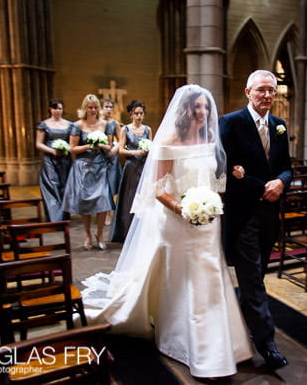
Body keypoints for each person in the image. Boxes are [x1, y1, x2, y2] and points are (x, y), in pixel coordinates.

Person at [81, 85, 253, 379]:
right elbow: (159, 189)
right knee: (183, 280)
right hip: (176, 220)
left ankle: (223, 344)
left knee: (210, 278)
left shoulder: (211, 138)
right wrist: (184, 209)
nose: (202, 112)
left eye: (206, 107)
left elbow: (216, 180)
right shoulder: (169, 140)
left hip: (207, 222)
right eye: (196, 107)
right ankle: (185, 341)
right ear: (185, 110)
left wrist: (214, 202)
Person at [218, 70, 293, 369]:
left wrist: (282, 182)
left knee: (256, 276)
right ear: (247, 91)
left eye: (271, 91)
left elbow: (287, 166)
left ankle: (239, 320)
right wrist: (263, 186)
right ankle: (267, 344)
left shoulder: (279, 126)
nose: (267, 96)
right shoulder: (230, 122)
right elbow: (224, 171)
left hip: (270, 215)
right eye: (261, 90)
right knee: (253, 280)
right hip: (243, 214)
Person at [62, 94, 114, 250]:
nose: (93, 110)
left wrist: (102, 145)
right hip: (83, 167)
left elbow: (110, 146)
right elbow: (72, 148)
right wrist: (88, 146)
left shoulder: (106, 125)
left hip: (100, 166)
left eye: (95, 107)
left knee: (103, 200)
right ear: (85, 108)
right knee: (85, 202)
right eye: (90, 107)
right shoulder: (77, 125)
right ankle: (87, 235)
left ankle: (100, 233)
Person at [109, 100, 152, 243]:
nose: (139, 116)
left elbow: (151, 147)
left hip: (144, 167)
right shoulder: (125, 129)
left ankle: (143, 231)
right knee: (129, 197)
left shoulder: (147, 129)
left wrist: (148, 151)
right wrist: (135, 153)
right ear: (131, 114)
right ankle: (126, 231)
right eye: (136, 113)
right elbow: (121, 150)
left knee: (144, 197)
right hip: (131, 166)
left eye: (141, 113)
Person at [35, 99, 73, 222]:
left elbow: (72, 142)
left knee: (65, 186)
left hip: (65, 160)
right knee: (52, 186)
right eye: (55, 108)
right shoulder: (44, 125)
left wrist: (67, 149)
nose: (57, 111)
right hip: (50, 159)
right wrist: (52, 151)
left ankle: (64, 215)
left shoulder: (69, 124)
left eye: (60, 108)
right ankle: (54, 217)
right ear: (50, 109)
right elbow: (39, 144)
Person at [101, 98, 123, 226]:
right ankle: (106, 213)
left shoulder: (114, 123)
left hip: (112, 156)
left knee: (110, 185)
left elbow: (121, 139)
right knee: (103, 187)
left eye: (110, 107)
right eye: (106, 107)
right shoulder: (98, 122)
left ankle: (112, 212)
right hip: (100, 156)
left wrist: (114, 150)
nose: (109, 109)